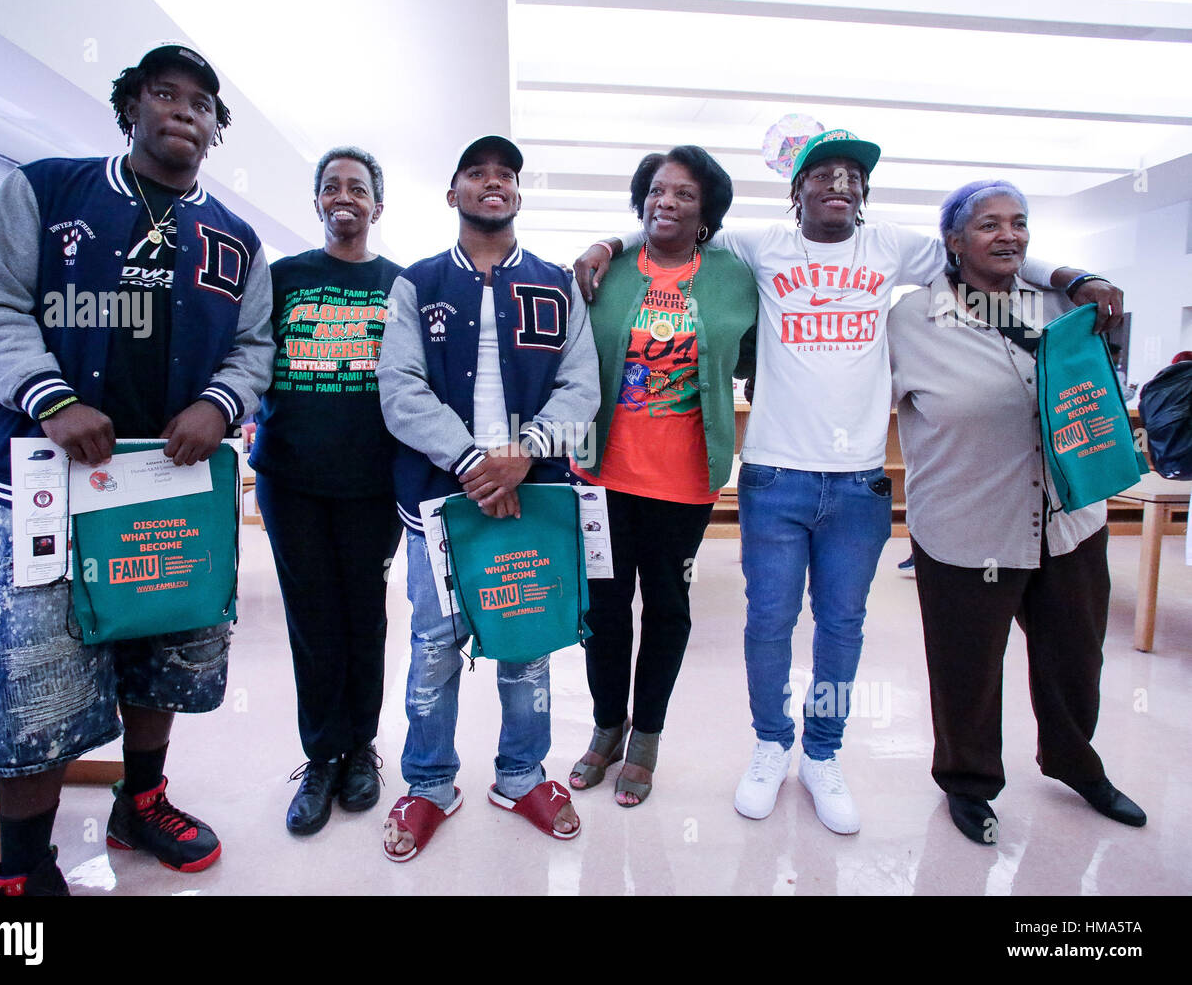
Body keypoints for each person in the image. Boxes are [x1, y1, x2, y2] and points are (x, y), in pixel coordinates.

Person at [574, 129, 1123, 835]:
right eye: (823, 174)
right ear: (796, 189)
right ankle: (770, 743)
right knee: (768, 624)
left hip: (859, 487)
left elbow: (984, 249)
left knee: (841, 627)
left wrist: (1071, 276)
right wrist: (604, 245)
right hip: (775, 477)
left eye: (852, 177)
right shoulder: (759, 246)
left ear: (863, 194)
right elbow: (674, 225)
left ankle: (824, 752)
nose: (839, 184)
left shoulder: (891, 247)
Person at [0, 43, 274, 894]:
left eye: (202, 103)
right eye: (164, 94)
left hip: (169, 482)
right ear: (130, 107)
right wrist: (50, 396)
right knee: (39, 678)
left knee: (164, 643)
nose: (184, 110)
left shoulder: (235, 238)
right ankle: (22, 867)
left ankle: (142, 800)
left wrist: (221, 403)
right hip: (51, 489)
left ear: (215, 129)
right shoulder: (50, 188)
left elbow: (254, 348)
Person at [888, 179, 1144, 844]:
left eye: (1019, 222)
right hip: (968, 524)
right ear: (952, 240)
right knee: (967, 668)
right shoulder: (911, 319)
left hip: (1070, 521)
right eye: (988, 224)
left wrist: (1078, 273)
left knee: (1076, 659)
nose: (1009, 235)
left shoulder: (1063, 302)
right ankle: (968, 784)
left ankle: (1074, 763)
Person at [376, 135, 599, 860]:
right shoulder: (417, 284)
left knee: (527, 646)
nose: (493, 182)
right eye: (476, 173)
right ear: (454, 195)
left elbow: (581, 389)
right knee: (435, 646)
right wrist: (476, 462)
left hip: (532, 494)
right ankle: (430, 783)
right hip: (442, 502)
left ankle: (520, 774)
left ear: (519, 196)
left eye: (506, 174)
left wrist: (523, 455)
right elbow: (400, 390)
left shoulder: (554, 284)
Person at [566, 146, 757, 806]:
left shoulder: (734, 275)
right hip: (603, 474)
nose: (665, 202)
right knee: (603, 607)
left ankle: (646, 737)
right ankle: (605, 727)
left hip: (684, 483)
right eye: (656, 190)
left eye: (683, 194)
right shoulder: (608, 268)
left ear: (707, 212)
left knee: (669, 607)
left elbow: (761, 355)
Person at [251, 147, 403, 835]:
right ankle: (321, 755)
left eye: (359, 187)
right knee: (311, 621)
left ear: (377, 204)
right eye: (332, 186)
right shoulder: (282, 278)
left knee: (363, 617)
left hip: (372, 484)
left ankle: (362, 748)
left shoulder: (401, 286)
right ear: (317, 201)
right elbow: (248, 363)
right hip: (292, 482)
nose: (345, 196)